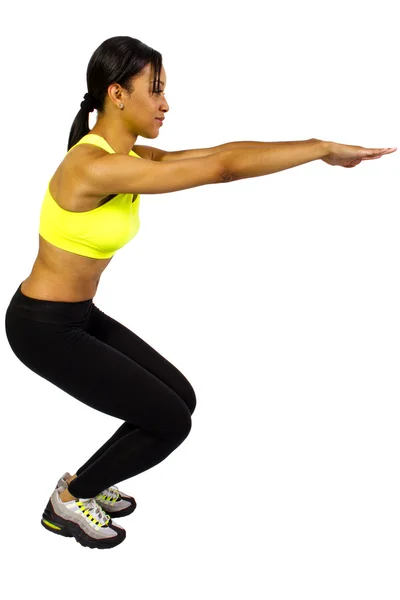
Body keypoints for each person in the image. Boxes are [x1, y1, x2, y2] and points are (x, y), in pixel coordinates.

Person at [4, 35, 396, 551]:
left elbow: (219, 154)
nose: (165, 103)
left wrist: (316, 145)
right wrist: (321, 150)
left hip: (75, 316)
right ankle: (71, 499)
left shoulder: (123, 154)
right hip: (44, 329)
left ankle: (88, 484)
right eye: (156, 89)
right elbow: (222, 171)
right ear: (117, 94)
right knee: (168, 422)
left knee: (180, 399)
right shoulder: (93, 167)